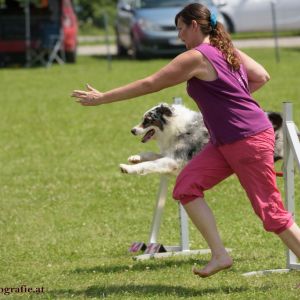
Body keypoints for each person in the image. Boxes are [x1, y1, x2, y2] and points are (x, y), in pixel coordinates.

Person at [72, 3, 300, 278]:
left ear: (194, 25)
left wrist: (103, 98)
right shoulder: (226, 49)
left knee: (271, 213)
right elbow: (261, 76)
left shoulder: (196, 56)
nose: (179, 36)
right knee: (186, 186)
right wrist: (228, 102)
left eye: (181, 29)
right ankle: (220, 255)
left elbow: (151, 83)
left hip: (247, 140)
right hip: (225, 141)